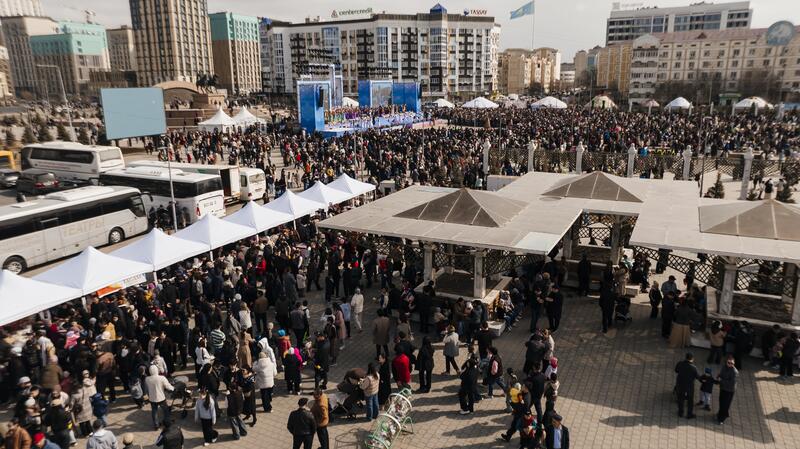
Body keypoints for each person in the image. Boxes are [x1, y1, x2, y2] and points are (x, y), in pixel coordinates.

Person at [144, 365, 174, 430]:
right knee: (165, 411)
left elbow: (146, 389)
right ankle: (167, 423)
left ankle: (156, 425)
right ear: (157, 370)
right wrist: (173, 388)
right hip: (161, 398)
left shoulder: (147, 379)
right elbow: (167, 386)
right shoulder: (161, 378)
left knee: (154, 411)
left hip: (152, 398)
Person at [674, 352, 699, 418]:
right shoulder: (694, 368)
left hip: (680, 384)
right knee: (690, 400)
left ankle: (680, 413)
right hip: (689, 387)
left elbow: (676, 370)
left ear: (686, 357)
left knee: (680, 399)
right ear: (692, 359)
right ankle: (689, 414)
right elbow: (697, 377)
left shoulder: (680, 363)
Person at [716, 355, 738, 424]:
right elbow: (721, 374)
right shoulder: (724, 367)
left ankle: (721, 419)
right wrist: (718, 376)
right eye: (729, 362)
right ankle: (724, 413)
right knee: (721, 401)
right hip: (723, 388)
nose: (730, 364)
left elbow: (731, 383)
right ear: (726, 362)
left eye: (732, 363)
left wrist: (721, 380)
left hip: (729, 390)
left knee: (725, 404)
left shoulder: (734, 372)